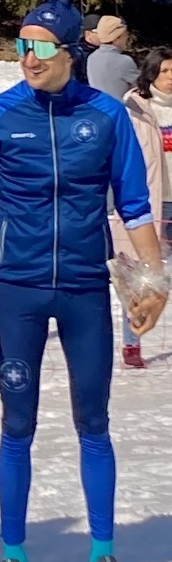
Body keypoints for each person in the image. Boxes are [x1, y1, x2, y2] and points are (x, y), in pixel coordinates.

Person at [0, 0, 168, 562]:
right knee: (16, 424)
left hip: (83, 289)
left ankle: (103, 552)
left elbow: (134, 205)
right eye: (21, 45)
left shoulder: (106, 116)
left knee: (93, 421)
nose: (29, 58)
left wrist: (155, 283)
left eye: (41, 47)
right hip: (17, 290)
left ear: (72, 52)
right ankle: (13, 554)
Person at [108, 47, 172, 368]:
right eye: (165, 71)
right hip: (149, 204)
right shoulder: (135, 109)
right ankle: (132, 341)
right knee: (140, 277)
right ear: (151, 74)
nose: (171, 78)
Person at [86, 16, 137, 101]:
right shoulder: (123, 61)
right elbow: (143, 86)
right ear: (116, 38)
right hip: (119, 108)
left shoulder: (91, 58)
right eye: (125, 36)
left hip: (99, 107)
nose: (126, 39)